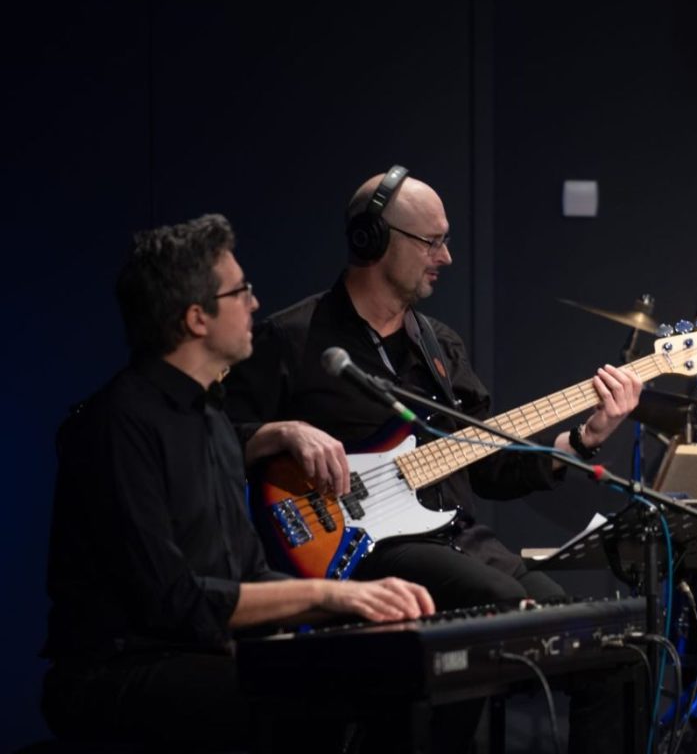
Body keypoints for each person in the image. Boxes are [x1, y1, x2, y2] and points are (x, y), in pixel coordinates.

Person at [223, 167, 644, 752]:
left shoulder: (440, 346)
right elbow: (215, 440)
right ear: (374, 239)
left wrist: (584, 439)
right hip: (364, 550)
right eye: (432, 241)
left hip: (461, 541)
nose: (446, 257)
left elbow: (489, 468)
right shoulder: (291, 338)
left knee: (612, 650)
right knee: (503, 611)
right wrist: (281, 431)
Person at [41, 215, 435, 752]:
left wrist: (361, 604)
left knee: (389, 667)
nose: (255, 303)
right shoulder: (119, 424)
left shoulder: (212, 420)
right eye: (241, 291)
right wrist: (332, 594)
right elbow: (172, 602)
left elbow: (247, 576)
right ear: (196, 318)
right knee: (311, 694)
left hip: (208, 652)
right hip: (119, 671)